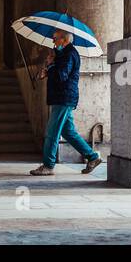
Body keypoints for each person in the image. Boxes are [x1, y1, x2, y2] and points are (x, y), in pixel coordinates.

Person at [29, 29, 102, 176]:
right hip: (62, 97)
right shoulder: (63, 54)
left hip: (63, 98)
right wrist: (51, 64)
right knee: (68, 132)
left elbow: (62, 75)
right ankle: (92, 157)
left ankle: (48, 165)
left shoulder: (69, 54)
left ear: (65, 40)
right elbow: (59, 73)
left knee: (51, 132)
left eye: (55, 38)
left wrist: (50, 66)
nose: (53, 41)